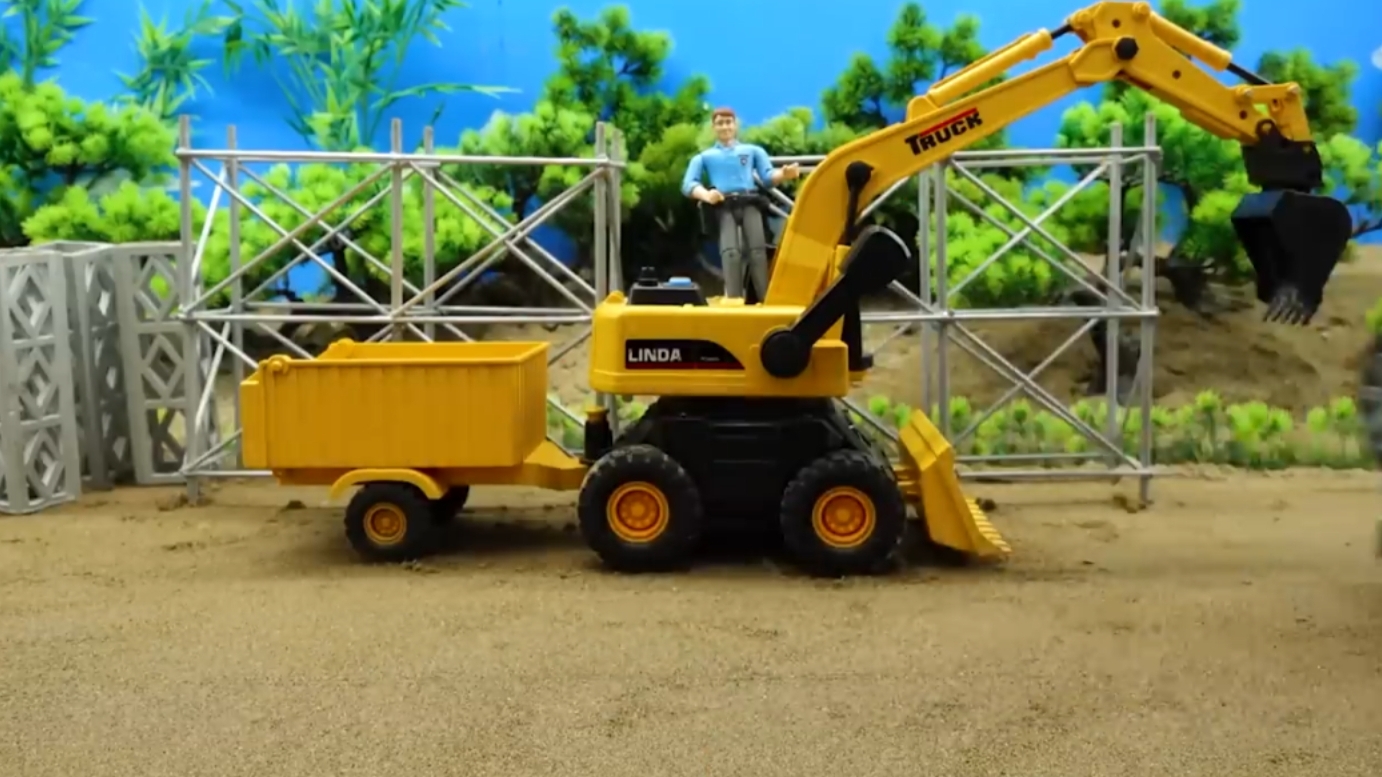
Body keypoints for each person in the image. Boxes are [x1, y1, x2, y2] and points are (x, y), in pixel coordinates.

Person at [681, 106, 801, 299]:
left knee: (757, 251)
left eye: (728, 122)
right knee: (730, 253)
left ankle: (764, 297)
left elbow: (767, 177)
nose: (725, 127)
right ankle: (734, 299)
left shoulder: (752, 151)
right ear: (713, 127)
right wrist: (707, 195)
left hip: (749, 202)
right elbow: (688, 184)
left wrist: (783, 174)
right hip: (724, 205)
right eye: (720, 123)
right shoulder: (705, 157)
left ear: (735, 125)